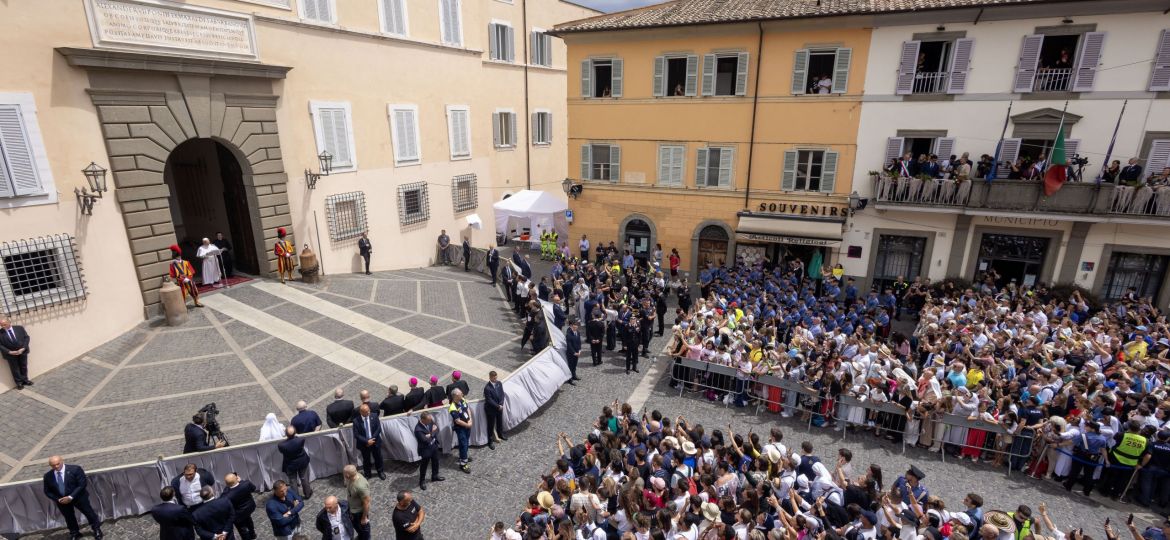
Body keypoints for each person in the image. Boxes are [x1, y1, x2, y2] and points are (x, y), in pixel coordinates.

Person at [42, 456, 103, 539]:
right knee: (69, 517)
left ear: (62, 461)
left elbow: (82, 484)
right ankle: (75, 533)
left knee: (88, 513)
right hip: (62, 501)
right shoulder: (48, 476)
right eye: (53, 465)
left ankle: (96, 529)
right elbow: (47, 491)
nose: (56, 466)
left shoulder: (75, 469)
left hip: (78, 497)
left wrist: (71, 497)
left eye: (58, 464)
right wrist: (58, 499)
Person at [277, 426, 313, 499]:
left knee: (293, 481)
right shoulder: (301, 440)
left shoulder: (281, 445)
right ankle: (308, 493)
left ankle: (296, 497)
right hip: (302, 461)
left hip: (290, 464)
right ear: (295, 433)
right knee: (304, 478)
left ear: (286, 434)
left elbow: (281, 451)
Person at [352, 404, 386, 480]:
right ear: (361, 412)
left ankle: (380, 471)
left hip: (375, 442)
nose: (368, 413)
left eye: (369, 411)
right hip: (364, 444)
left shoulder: (374, 416)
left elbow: (378, 429)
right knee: (366, 459)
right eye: (366, 412)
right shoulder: (356, 421)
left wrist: (372, 440)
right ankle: (367, 473)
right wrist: (367, 441)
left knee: (378, 458)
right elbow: (356, 434)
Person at [221, 473, 259, 540]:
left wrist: (227, 487)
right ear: (236, 478)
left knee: (242, 529)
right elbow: (253, 488)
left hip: (238, 514)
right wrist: (241, 481)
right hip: (249, 508)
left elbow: (223, 501)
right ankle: (252, 534)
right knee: (249, 520)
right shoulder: (246, 484)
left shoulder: (226, 495)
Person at [414, 412, 445, 490]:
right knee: (424, 466)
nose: (430, 421)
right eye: (428, 420)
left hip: (434, 446)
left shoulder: (430, 421)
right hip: (425, 450)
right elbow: (425, 440)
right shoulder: (418, 429)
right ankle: (422, 481)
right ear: (423, 420)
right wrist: (431, 433)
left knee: (436, 462)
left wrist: (430, 434)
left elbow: (435, 428)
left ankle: (435, 476)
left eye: (430, 420)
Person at [0, 318, 32, 389]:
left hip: (22, 351)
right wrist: (9, 351)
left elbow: (26, 338)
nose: (3, 327)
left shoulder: (19, 328)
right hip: (10, 354)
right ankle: (19, 383)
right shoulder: (0, 332)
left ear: (9, 322)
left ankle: (25, 380)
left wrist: (23, 348)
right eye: (1, 325)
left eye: (4, 325)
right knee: (15, 368)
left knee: (23, 366)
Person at [343, 465, 371, 540]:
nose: (343, 474)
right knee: (357, 527)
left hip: (359, 513)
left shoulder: (360, 487)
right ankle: (361, 536)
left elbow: (367, 503)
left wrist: (364, 517)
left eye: (344, 473)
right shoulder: (352, 477)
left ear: (347, 475)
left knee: (364, 529)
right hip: (353, 509)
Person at [449, 388, 473, 474]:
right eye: (460, 394)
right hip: (461, 429)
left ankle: (464, 456)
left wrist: (470, 419)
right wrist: (468, 425)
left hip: (467, 426)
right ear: (455, 396)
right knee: (463, 444)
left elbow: (467, 409)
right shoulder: (452, 407)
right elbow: (457, 421)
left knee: (466, 442)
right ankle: (463, 464)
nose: (462, 394)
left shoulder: (462, 399)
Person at [484, 371, 507, 448]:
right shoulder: (487, 388)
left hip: (499, 407)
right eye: (494, 378)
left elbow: (502, 394)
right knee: (491, 425)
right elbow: (489, 400)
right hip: (491, 410)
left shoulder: (499, 383)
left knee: (499, 422)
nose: (495, 379)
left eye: (496, 377)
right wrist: (498, 406)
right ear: (490, 377)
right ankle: (490, 441)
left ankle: (500, 434)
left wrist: (501, 404)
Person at [565, 318, 582, 384]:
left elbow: (579, 342)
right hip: (571, 353)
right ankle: (570, 379)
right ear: (572, 326)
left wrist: (579, 350)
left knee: (574, 365)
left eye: (577, 325)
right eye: (575, 325)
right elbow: (569, 345)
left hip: (577, 352)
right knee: (570, 366)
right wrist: (574, 352)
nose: (577, 326)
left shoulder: (577, 332)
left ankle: (574, 375)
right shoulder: (568, 334)